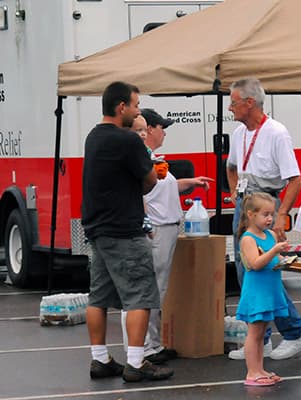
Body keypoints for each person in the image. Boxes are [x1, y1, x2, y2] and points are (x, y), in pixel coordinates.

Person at [81, 81, 173, 382]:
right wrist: (147, 173)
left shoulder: (93, 138)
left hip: (97, 229)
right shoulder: (128, 141)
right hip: (125, 229)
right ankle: (136, 362)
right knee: (140, 296)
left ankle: (100, 359)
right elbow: (149, 181)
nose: (137, 112)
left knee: (99, 297)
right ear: (121, 107)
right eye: (134, 105)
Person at [225, 77, 301, 360]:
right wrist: (236, 194)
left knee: (265, 272)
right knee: (245, 271)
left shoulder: (276, 132)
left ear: (250, 103)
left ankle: (295, 333)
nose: (230, 107)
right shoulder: (239, 133)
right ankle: (260, 339)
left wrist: (280, 214)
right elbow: (232, 166)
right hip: (245, 202)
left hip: (264, 201)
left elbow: (295, 180)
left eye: (234, 102)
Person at [120, 109, 213, 365]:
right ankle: (143, 347)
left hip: (165, 227)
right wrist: (146, 223)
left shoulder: (150, 158)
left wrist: (188, 182)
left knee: (155, 289)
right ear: (149, 129)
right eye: (162, 127)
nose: (164, 133)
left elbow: (161, 187)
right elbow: (138, 193)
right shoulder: (139, 159)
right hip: (156, 229)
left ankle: (151, 344)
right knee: (148, 289)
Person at [236, 192, 290, 386]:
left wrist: (283, 259)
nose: (270, 219)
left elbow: (273, 261)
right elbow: (255, 263)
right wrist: (274, 251)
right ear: (251, 215)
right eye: (265, 214)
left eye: (272, 214)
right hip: (257, 291)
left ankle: (260, 369)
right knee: (255, 332)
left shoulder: (271, 235)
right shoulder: (248, 239)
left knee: (263, 332)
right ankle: (252, 372)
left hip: (271, 289)